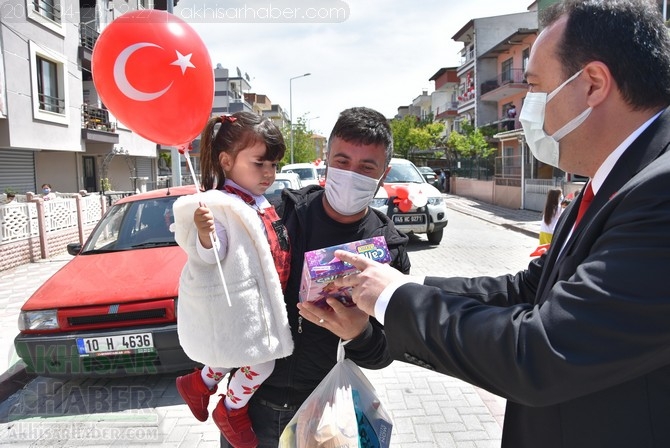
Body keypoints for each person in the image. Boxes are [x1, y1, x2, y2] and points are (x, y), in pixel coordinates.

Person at [321, 2, 670, 447]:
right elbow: (530, 290)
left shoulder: (660, 192)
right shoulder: (612, 180)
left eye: (537, 88)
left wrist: (393, 298)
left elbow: (543, 352)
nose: (527, 107)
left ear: (594, 84)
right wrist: (391, 287)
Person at [220, 106, 412, 447]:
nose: (351, 173)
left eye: (366, 167)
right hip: (250, 410)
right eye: (342, 161)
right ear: (326, 161)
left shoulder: (388, 250)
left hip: (325, 417)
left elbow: (386, 351)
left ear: (383, 175)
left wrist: (359, 333)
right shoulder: (277, 218)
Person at [173, 112, 293, 448]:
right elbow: (210, 254)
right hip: (243, 304)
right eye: (260, 164)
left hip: (260, 299)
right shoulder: (221, 206)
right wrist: (204, 232)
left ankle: (199, 384)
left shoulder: (255, 198)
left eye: (273, 165)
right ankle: (231, 408)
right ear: (226, 161)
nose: (269, 173)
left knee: (231, 353)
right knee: (261, 361)